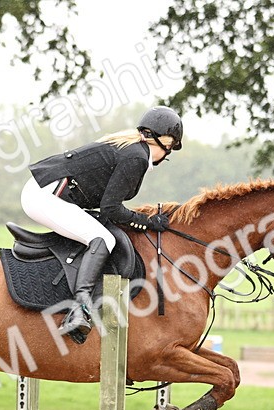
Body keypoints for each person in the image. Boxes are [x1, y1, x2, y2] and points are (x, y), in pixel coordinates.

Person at [21, 106, 183, 338]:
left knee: (102, 232)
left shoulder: (132, 149)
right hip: (45, 195)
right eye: (170, 150)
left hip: (46, 190)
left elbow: (108, 207)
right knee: (103, 238)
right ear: (166, 142)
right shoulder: (136, 157)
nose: (166, 156)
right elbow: (111, 208)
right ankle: (80, 308)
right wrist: (147, 221)